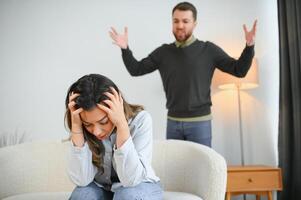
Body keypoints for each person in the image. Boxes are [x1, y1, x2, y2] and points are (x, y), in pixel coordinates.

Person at [109, 1, 257, 147]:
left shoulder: (208, 50)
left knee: (201, 168)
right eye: (176, 21)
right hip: (173, 123)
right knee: (175, 169)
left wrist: (249, 47)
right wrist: (125, 48)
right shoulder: (163, 52)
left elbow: (239, 70)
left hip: (200, 123)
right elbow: (136, 69)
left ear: (194, 23)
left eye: (185, 21)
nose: (180, 25)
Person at [65, 74, 163, 200]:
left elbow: (131, 180)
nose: (96, 131)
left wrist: (122, 125)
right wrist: (77, 127)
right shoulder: (81, 127)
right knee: (82, 195)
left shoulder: (141, 120)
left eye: (104, 121)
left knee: (127, 196)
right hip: (102, 187)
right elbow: (82, 180)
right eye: (88, 124)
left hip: (140, 185)